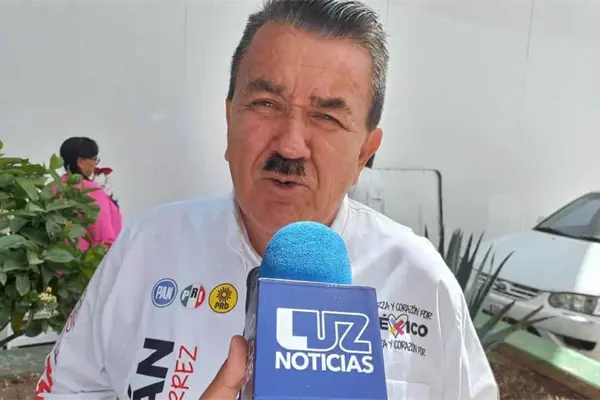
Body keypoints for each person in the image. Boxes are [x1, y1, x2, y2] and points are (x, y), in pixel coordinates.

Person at [37, 1, 498, 399]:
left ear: (364, 153)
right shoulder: (146, 248)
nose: (291, 145)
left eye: (326, 117)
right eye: (266, 104)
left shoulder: (418, 279)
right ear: (229, 120)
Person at [58, 137, 122, 251]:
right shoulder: (91, 190)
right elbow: (103, 234)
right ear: (80, 161)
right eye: (94, 159)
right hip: (87, 258)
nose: (95, 164)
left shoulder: (54, 187)